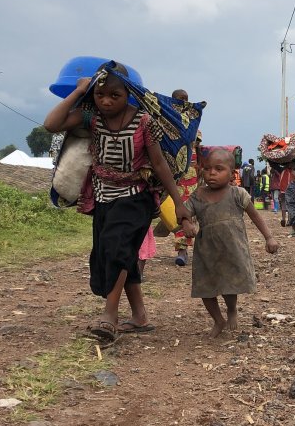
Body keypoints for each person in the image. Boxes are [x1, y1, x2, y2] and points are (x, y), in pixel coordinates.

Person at [43, 62, 189, 341]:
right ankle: (140, 317)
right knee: (117, 255)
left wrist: (179, 203)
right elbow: (52, 124)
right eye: (100, 95)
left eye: (115, 95)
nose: (106, 101)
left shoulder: (144, 122)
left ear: (128, 94)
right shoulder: (92, 118)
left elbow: (158, 164)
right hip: (102, 197)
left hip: (136, 197)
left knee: (117, 251)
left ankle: (109, 315)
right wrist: (79, 92)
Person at [181, 149, 279, 338]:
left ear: (232, 172)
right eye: (207, 168)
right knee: (205, 288)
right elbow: (184, 213)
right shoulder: (198, 195)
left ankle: (231, 309)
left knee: (229, 285)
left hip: (232, 249)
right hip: (206, 252)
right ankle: (218, 319)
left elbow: (255, 215)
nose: (212, 173)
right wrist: (186, 223)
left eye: (219, 169)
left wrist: (269, 237)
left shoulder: (237, 194)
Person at [170, 89, 201, 267]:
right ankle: (182, 247)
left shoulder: (193, 123)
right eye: (180, 99)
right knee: (174, 211)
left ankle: (184, 249)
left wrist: (201, 169)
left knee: (188, 210)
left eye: (186, 99)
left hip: (191, 175)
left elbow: (198, 150)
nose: (184, 102)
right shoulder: (165, 121)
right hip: (172, 174)